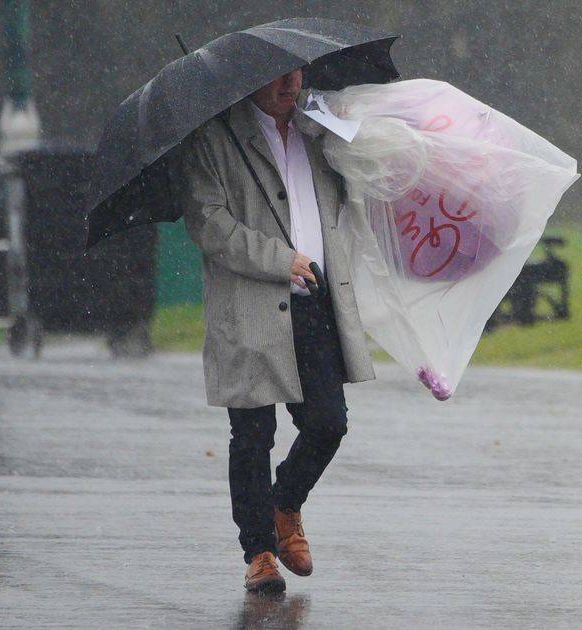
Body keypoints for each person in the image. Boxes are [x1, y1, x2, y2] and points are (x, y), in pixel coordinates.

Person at [174, 68, 376, 593]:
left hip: (314, 303)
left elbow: (357, 188)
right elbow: (208, 223)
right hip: (248, 311)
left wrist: (352, 137)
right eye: (277, 78)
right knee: (252, 437)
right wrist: (277, 259)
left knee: (328, 423)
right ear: (248, 82)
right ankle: (259, 551)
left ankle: (285, 505)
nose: (291, 85)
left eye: (297, 74)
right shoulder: (214, 140)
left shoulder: (317, 130)